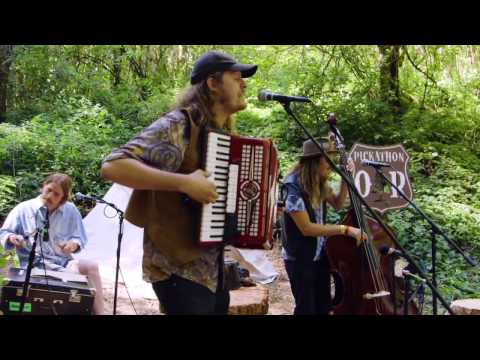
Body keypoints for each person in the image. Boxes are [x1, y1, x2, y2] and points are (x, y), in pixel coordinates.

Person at [100, 51, 258, 315]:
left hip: (214, 270)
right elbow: (113, 165)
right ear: (212, 83)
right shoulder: (180, 124)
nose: (244, 84)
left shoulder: (222, 136)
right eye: (236, 77)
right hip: (177, 268)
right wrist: (184, 183)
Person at [281, 137, 367, 315]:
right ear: (314, 161)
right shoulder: (292, 186)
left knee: (324, 306)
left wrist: (345, 179)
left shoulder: (319, 182)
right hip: (300, 258)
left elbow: (337, 203)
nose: (331, 163)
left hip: (320, 255)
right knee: (306, 308)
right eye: (327, 158)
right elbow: (307, 228)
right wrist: (345, 230)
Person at [0, 173, 104, 315]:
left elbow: (80, 238)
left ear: (63, 199)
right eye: (48, 190)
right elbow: (4, 232)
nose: (50, 196)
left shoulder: (71, 210)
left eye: (56, 194)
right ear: (43, 186)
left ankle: (101, 313)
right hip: (33, 265)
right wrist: (12, 238)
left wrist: (73, 245)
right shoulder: (23, 208)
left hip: (63, 263)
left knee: (91, 266)